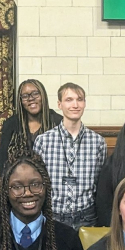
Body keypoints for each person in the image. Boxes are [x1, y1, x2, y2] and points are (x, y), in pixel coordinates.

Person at [0, 78, 62, 225]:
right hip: (18, 193)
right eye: (25, 96)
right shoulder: (11, 125)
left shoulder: (58, 122)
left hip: (51, 193)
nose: (31, 99)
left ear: (43, 96)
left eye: (35, 94)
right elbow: (2, 159)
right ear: (20, 101)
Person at [35, 82, 107, 230]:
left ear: (85, 103)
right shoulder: (43, 141)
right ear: (59, 104)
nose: (75, 104)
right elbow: (37, 181)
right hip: (53, 215)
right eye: (69, 100)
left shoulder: (97, 142)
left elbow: (100, 183)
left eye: (79, 99)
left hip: (87, 216)